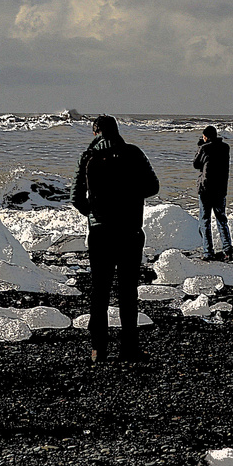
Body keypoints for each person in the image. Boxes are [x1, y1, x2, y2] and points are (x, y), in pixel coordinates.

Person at [72, 115, 160, 363]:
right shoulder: (133, 153)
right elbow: (153, 187)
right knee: (127, 291)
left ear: (95, 133)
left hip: (100, 233)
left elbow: (76, 196)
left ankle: (98, 349)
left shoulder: (87, 157)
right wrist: (129, 196)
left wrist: (93, 213)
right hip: (130, 230)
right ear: (117, 130)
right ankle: (129, 348)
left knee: (99, 291)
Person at [193, 125, 233, 260]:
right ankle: (228, 249)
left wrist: (200, 147)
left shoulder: (204, 148)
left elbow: (196, 164)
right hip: (220, 188)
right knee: (222, 220)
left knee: (205, 220)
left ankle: (208, 251)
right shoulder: (225, 147)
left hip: (206, 189)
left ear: (205, 136)